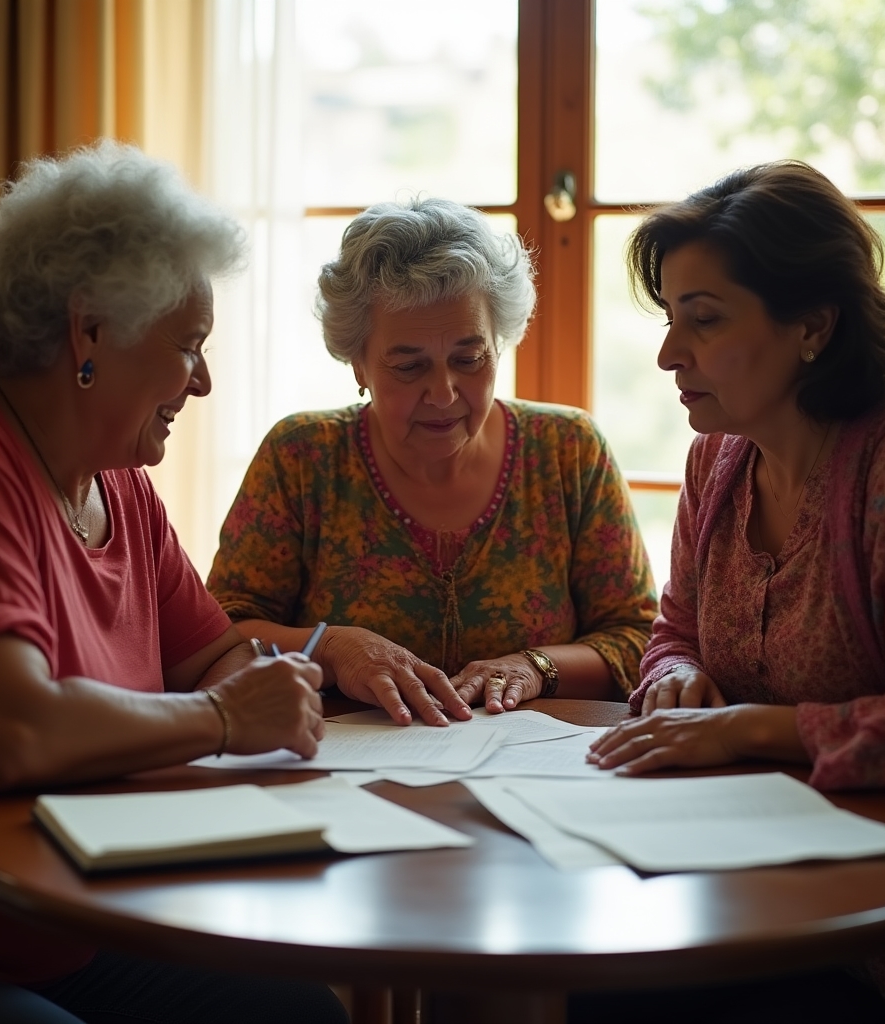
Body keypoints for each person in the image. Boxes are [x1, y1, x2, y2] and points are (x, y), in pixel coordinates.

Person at [0, 143, 345, 1024]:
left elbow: (209, 652)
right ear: (90, 330)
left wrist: (272, 680)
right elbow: (4, 734)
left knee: (300, 1012)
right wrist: (225, 719)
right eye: (189, 346)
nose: (206, 380)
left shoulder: (119, 482)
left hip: (81, 920)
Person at [583, 160, 885, 1010]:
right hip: (732, 875)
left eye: (702, 320)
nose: (668, 353)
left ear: (813, 325)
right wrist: (674, 679)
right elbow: (674, 632)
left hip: (880, 920)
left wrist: (749, 732)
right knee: (601, 979)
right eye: (668, 318)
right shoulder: (717, 458)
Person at [207, 197, 656, 726]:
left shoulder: (567, 450)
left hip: (533, 768)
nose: (443, 394)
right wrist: (330, 646)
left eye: (469, 359)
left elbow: (637, 636)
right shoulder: (303, 457)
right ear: (360, 363)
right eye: (408, 366)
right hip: (345, 770)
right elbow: (222, 629)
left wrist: (535, 666)